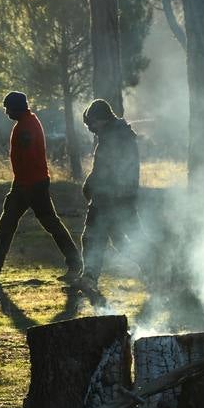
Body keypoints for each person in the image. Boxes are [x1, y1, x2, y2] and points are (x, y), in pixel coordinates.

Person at [0, 91, 82, 281]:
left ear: (17, 107)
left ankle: (75, 264)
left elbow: (28, 159)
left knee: (45, 224)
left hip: (31, 185)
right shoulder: (28, 123)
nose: (6, 112)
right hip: (27, 183)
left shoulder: (26, 127)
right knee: (11, 223)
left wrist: (24, 187)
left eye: (8, 108)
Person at [78, 99, 143, 294]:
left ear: (101, 119)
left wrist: (91, 185)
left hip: (112, 198)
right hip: (113, 197)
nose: (90, 127)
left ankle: (158, 270)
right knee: (96, 238)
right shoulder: (114, 134)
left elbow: (106, 170)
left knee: (111, 240)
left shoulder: (116, 137)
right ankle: (88, 277)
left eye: (92, 123)